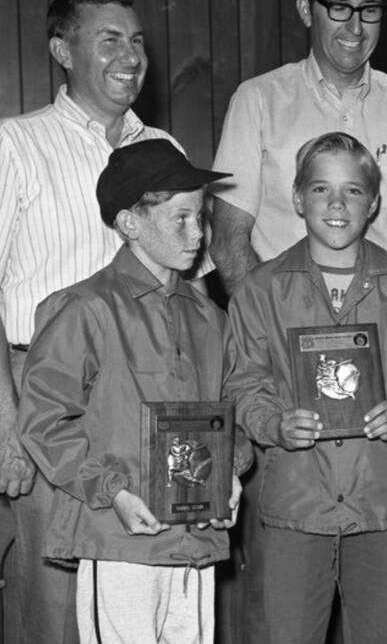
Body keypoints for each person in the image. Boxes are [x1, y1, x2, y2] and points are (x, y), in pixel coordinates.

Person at [0, 0, 180, 644]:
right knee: (57, 591)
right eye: (109, 40)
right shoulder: (12, 145)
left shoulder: (162, 147)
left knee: (144, 580)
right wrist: (10, 427)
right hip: (52, 395)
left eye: (136, 41)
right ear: (60, 50)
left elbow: (187, 289)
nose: (130, 56)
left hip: (150, 392)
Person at [224, 132, 387, 644]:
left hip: (378, 500)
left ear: (373, 204)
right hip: (297, 500)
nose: (337, 204)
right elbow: (244, 383)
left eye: (352, 191)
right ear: (298, 198)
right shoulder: (261, 290)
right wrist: (274, 424)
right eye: (322, 189)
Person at [17, 140, 245, 643]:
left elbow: (232, 407)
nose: (198, 233)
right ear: (130, 222)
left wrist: (230, 468)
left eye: (201, 218)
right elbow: (44, 420)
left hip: (194, 541)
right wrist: (112, 491)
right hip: (120, 538)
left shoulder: (209, 317)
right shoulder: (86, 309)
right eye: (180, 218)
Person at [210, 0, 387, 289]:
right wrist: (267, 326)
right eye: (339, 7)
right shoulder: (256, 101)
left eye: (369, 10)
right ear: (306, 10)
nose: (355, 27)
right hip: (282, 327)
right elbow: (229, 244)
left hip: (385, 330)